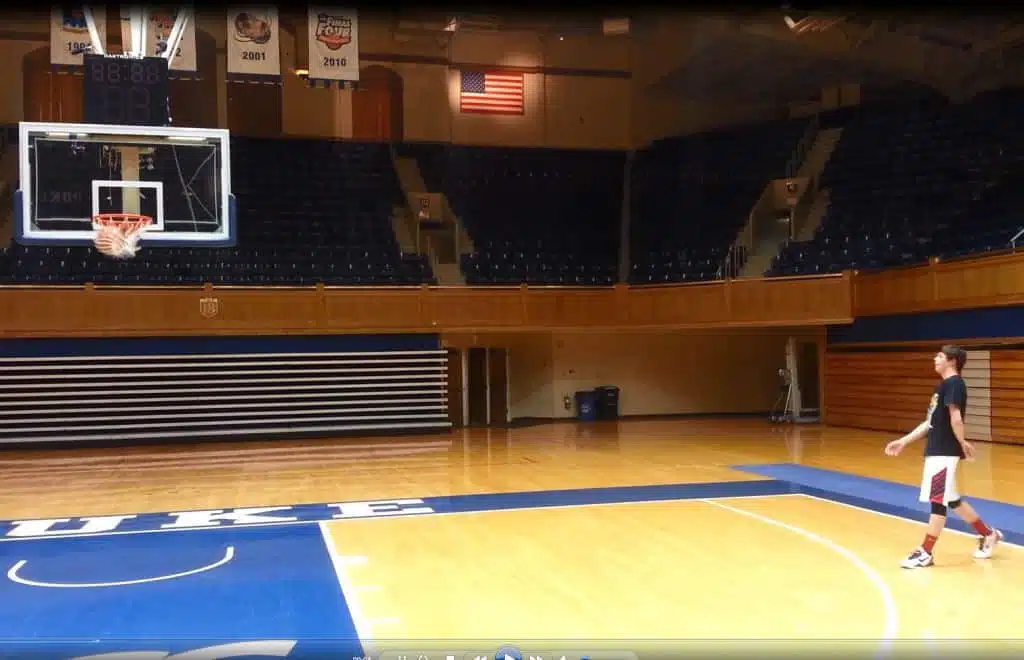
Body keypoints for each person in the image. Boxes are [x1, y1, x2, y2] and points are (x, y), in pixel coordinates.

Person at [884, 345, 1003, 568]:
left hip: (944, 452)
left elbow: (956, 417)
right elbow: (929, 423)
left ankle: (925, 552)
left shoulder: (955, 384)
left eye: (939, 356)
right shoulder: (942, 387)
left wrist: (961, 443)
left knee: (938, 501)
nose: (935, 358)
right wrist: (904, 441)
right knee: (952, 499)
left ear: (952, 361)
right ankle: (989, 534)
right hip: (937, 450)